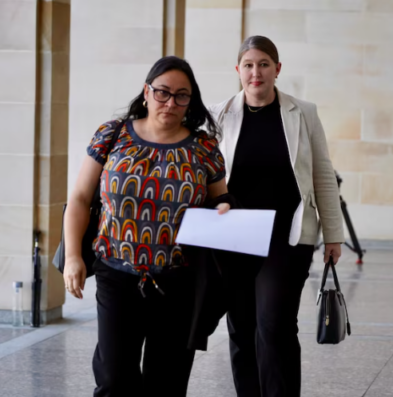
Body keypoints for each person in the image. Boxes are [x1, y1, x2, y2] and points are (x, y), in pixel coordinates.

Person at [63, 56, 230, 397]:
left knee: (166, 384)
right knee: (113, 379)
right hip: (115, 272)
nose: (170, 102)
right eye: (162, 92)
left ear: (191, 101)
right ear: (146, 92)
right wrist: (72, 257)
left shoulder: (204, 148)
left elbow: (221, 201)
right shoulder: (112, 134)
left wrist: (225, 208)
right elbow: (79, 198)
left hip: (179, 281)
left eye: (182, 95)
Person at [209, 36, 345, 397]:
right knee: (241, 327)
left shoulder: (303, 113)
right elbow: (205, 177)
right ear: (238, 70)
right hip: (233, 237)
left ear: (277, 69)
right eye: (249, 65)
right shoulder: (219, 114)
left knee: (274, 324)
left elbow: (322, 175)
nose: (256, 72)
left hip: (286, 237)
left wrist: (334, 234)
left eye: (264, 64)